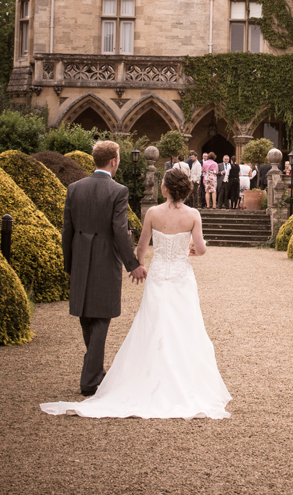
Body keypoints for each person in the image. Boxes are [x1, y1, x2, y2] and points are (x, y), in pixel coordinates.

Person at [41, 167, 231, 419]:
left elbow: (142, 246)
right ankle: (184, 376)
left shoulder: (152, 213)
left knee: (152, 322)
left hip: (158, 274)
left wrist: (139, 266)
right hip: (181, 276)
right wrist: (194, 250)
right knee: (185, 323)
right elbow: (201, 248)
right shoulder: (193, 214)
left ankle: (146, 372)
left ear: (165, 188)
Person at [56, 140, 146, 397]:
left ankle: (94, 370)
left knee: (87, 315)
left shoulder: (74, 188)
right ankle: (91, 379)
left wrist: (68, 264)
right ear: (113, 162)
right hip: (105, 258)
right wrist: (133, 264)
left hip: (80, 258)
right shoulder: (118, 190)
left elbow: (67, 230)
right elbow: (119, 230)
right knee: (101, 317)